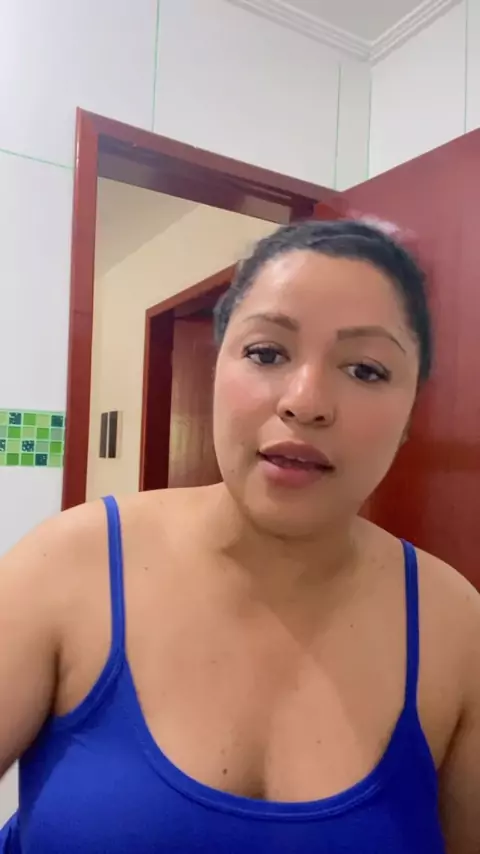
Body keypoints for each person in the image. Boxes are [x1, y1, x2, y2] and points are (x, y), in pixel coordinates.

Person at [0, 220, 479, 854]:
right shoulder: (67, 565)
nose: (306, 401)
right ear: (217, 367)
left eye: (365, 369)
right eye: (267, 353)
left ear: (412, 411)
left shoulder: (457, 628)